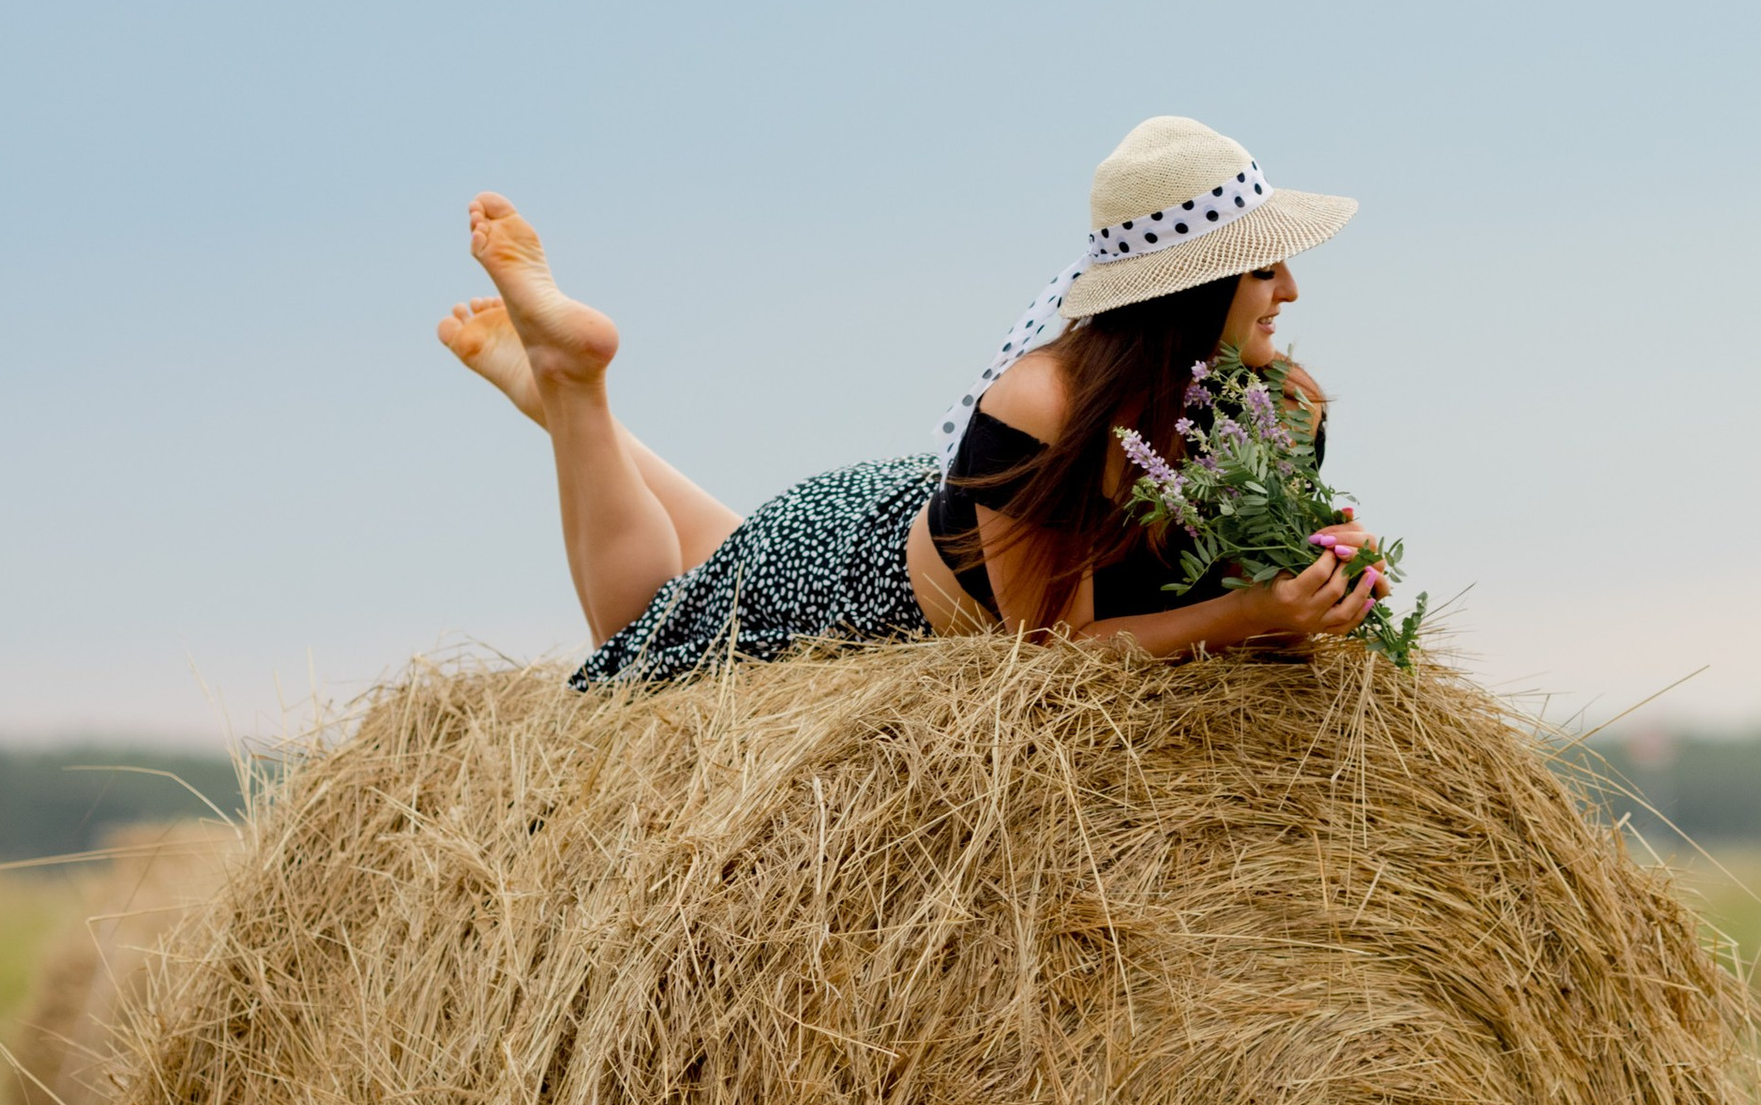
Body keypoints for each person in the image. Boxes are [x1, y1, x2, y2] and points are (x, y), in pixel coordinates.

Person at [437, 114, 1387, 685]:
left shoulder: (1284, 410)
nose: (1292, 291)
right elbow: (1047, 654)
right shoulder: (1041, 404)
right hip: (850, 585)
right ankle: (573, 384)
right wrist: (1251, 616)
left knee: (712, 551)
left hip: (930, 509)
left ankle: (563, 407)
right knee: (643, 630)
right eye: (1263, 268)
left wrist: (1322, 576)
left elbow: (1234, 581)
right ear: (1189, 291)